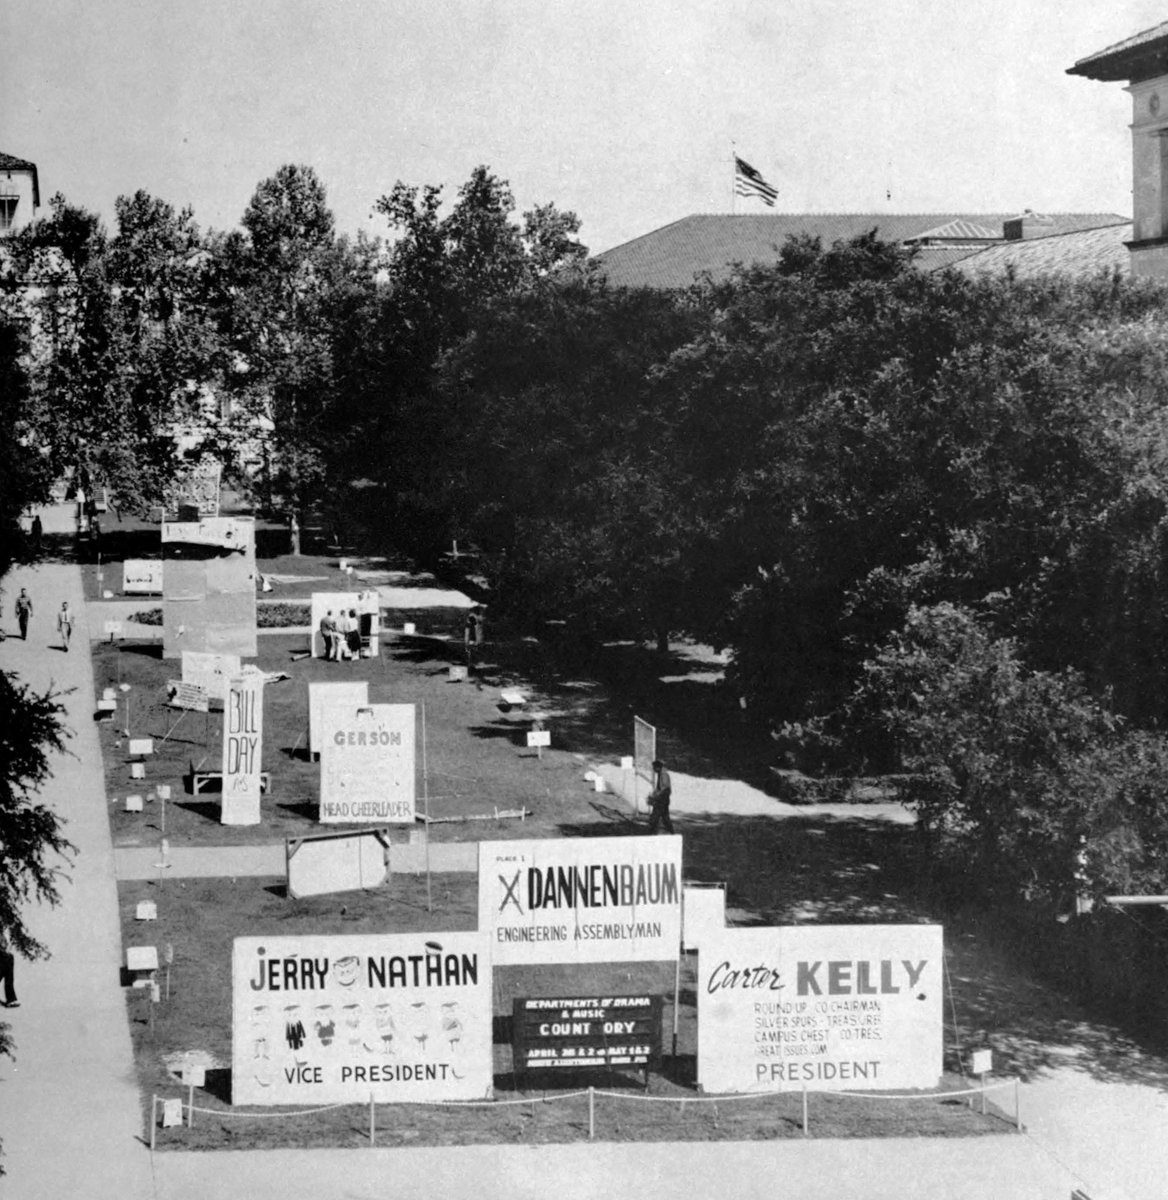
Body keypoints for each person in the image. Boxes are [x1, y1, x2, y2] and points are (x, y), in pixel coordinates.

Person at [647, 758, 674, 834]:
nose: (653, 770)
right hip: (661, 800)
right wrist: (653, 794)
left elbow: (665, 788)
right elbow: (659, 788)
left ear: (658, 767)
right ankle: (672, 832)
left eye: (654, 768)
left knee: (654, 818)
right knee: (665, 818)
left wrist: (655, 797)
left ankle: (650, 833)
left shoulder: (663, 775)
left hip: (662, 800)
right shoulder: (660, 773)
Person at [0, 930, 18, 1009]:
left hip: (7, 957)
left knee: (9, 979)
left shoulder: (6, 933)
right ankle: (10, 999)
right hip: (2, 956)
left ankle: (10, 999)